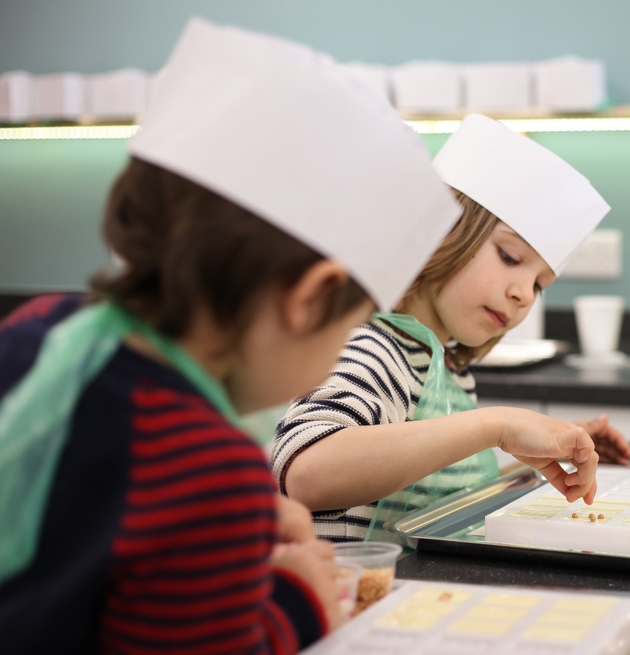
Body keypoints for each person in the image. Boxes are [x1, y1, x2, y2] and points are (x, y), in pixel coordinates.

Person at [0, 18, 476, 653]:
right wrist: (298, 599)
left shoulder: (36, 330)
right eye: (347, 326)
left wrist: (227, 534)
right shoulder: (211, 474)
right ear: (307, 301)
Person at [272, 114, 630, 542]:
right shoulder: (373, 348)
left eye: (539, 284)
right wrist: (495, 426)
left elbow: (422, 495)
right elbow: (307, 473)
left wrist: (540, 452)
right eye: (511, 258)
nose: (523, 293)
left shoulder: (446, 370)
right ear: (439, 233)